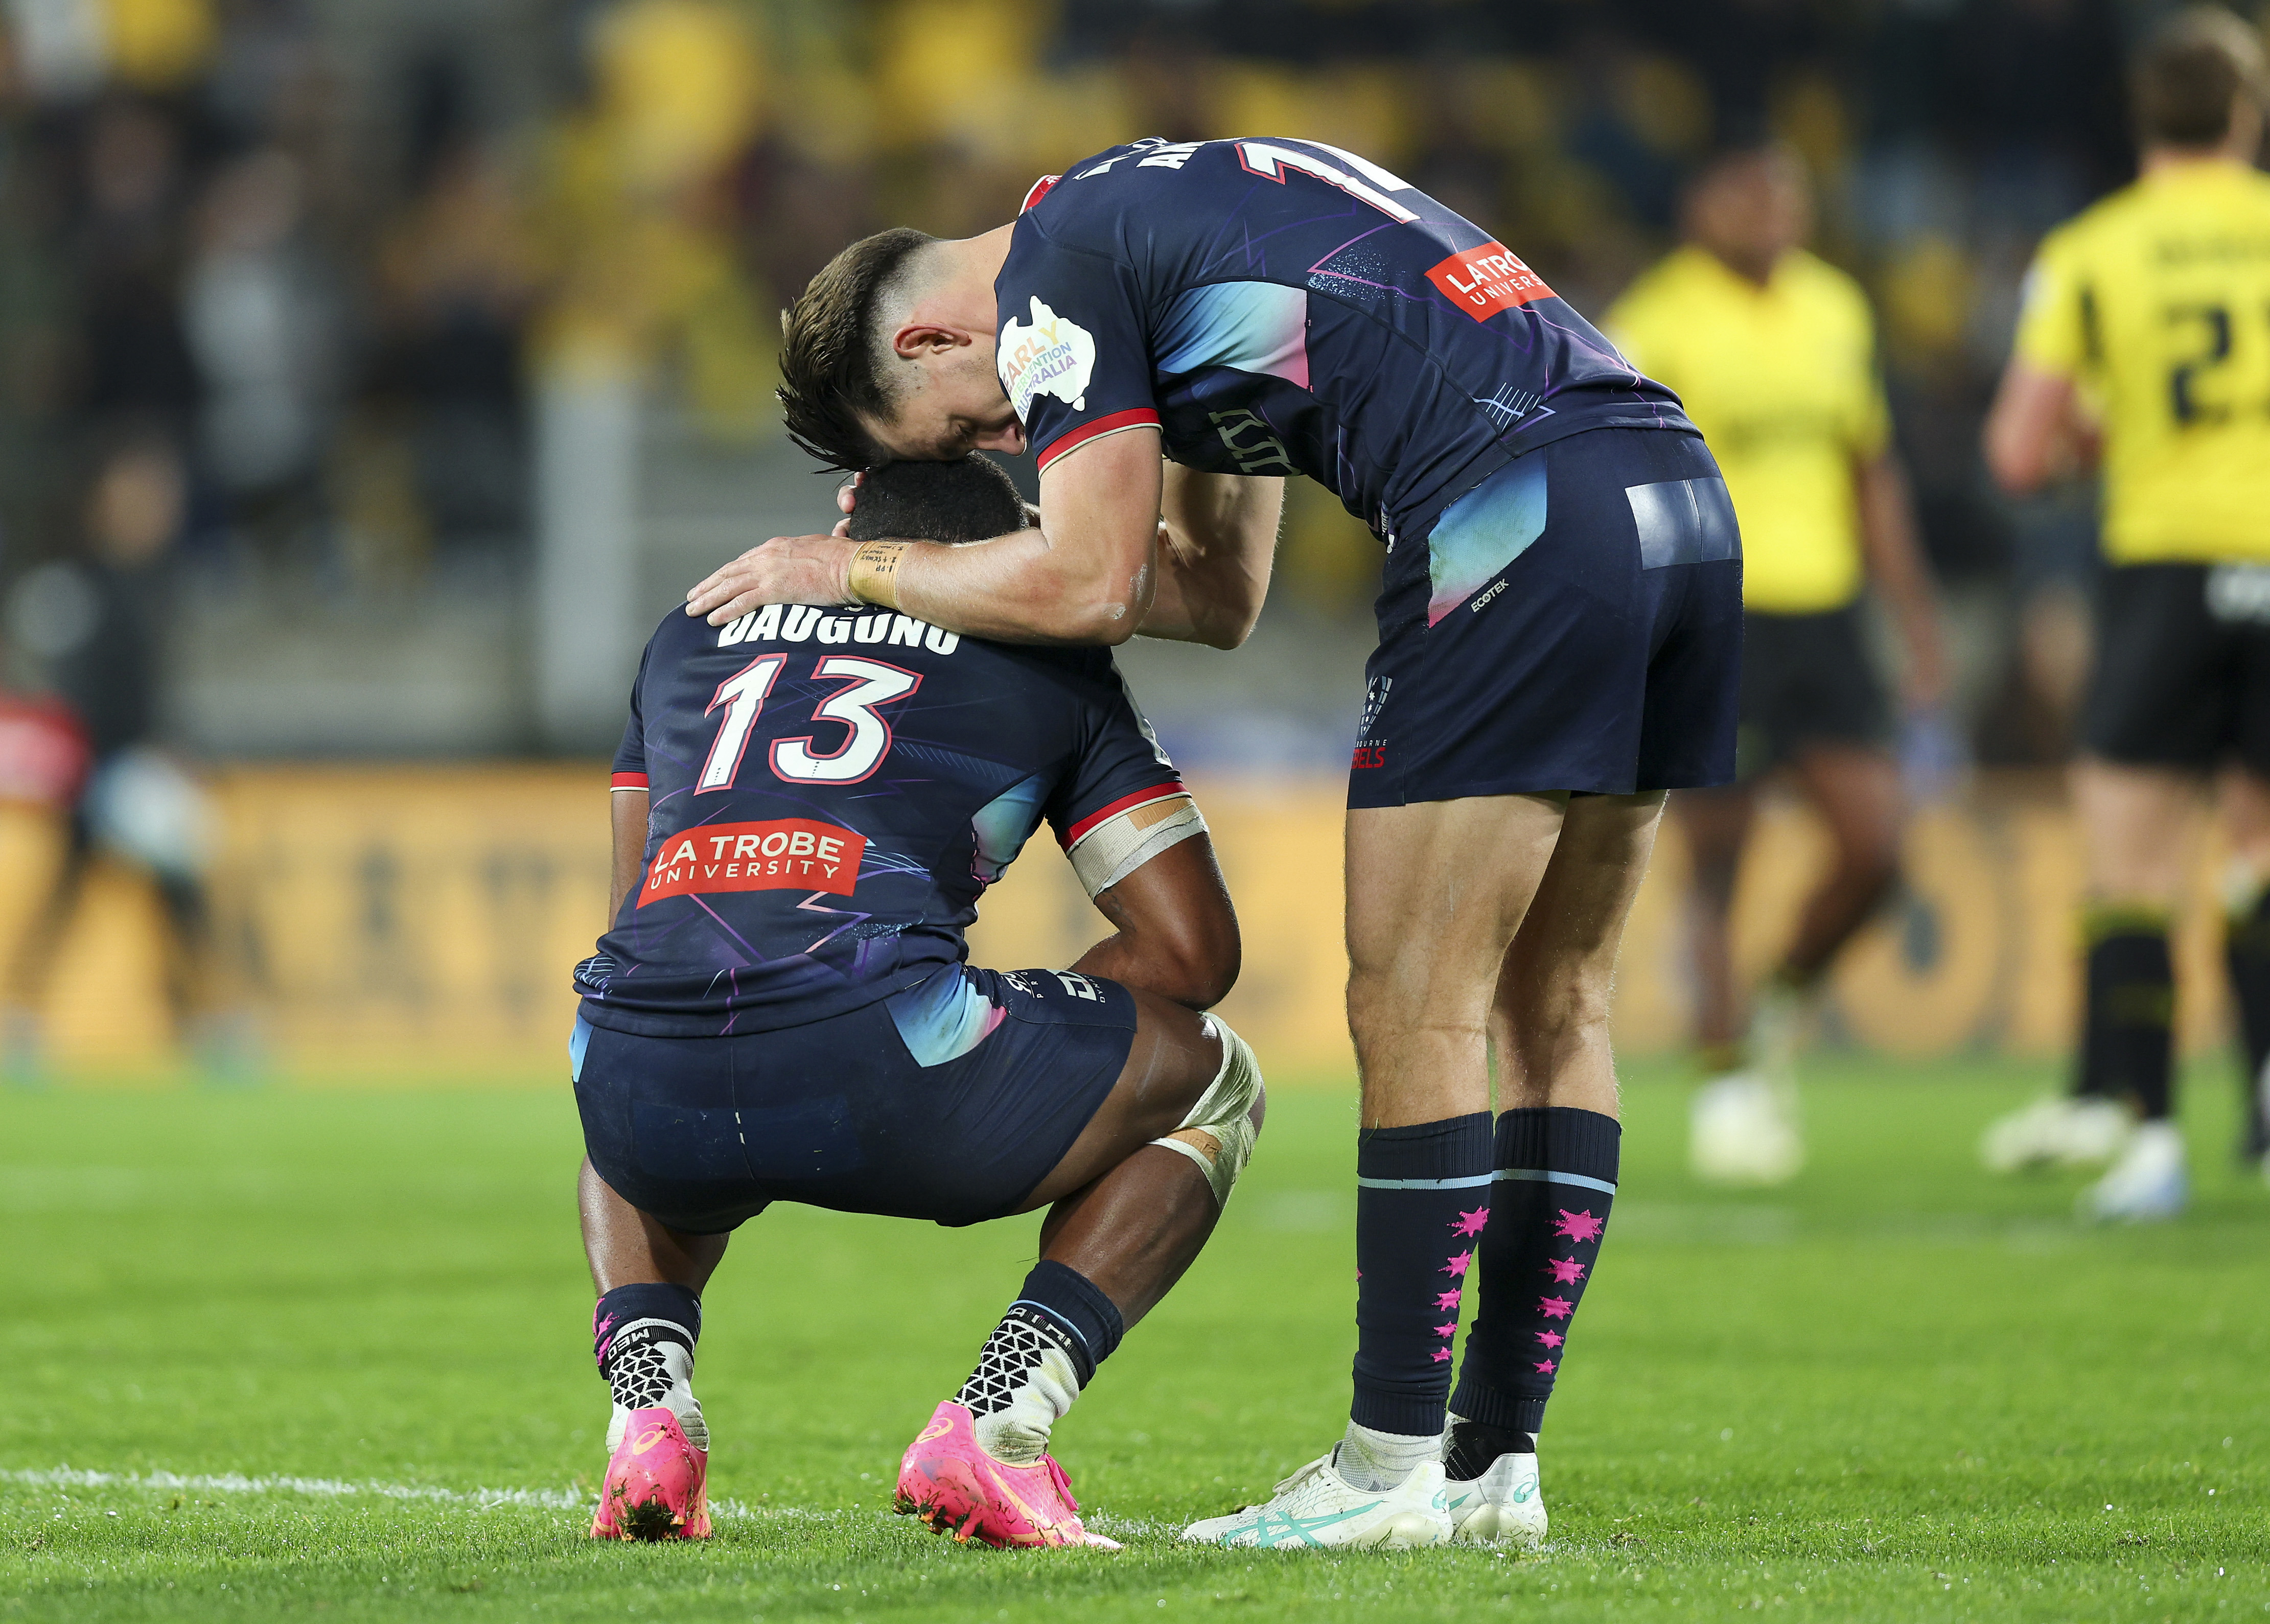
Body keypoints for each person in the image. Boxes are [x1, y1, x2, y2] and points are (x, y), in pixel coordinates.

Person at [684, 135, 1741, 1549]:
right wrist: (967, 564)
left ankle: (1385, 1469)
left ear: (935, 334)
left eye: (961, 433)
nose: (1004, 451)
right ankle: (1493, 1468)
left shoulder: (1055, 275)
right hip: (1667, 496)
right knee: (1556, 1001)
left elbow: (1088, 574)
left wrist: (849, 567)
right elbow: (1212, 591)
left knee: (1412, 1001)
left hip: (1518, 517)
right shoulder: (1153, 227)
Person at [574, 455, 1265, 1548]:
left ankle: (648, 1407)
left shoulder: (689, 630)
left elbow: (637, 916)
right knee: (1219, 1075)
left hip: (635, 1081)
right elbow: (1192, 950)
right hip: (885, 1054)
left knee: (644, 1014)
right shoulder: (1048, 653)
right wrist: (1020, 1012)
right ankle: (998, 1422)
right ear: (1006, 555)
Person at [1606, 142, 1947, 1186]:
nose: (1770, 207)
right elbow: (1619, 475)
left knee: (1875, 847)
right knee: (1720, 861)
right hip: (1715, 611)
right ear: (1699, 201)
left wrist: (1914, 616)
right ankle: (1724, 1081)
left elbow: (1868, 470)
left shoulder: (1835, 308)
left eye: (1785, 189)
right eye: (1748, 188)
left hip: (1828, 617)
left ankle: (1778, 1001)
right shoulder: (1654, 319)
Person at [1980, 7, 2270, 1219]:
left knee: (2132, 863)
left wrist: (2095, 439)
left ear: (2141, 119)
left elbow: (2015, 452)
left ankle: (2149, 1142)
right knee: (2254, 855)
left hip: (2157, 565)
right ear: (2246, 113)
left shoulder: (2093, 249)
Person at [1, 427, 228, 1079]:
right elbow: (70, 691)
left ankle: (198, 1023)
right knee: (109, 899)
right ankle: (25, 1020)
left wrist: (177, 751)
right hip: (103, 770)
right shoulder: (75, 586)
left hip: (138, 768)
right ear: (102, 501)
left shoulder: (150, 583)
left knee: (163, 898)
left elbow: (153, 694)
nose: (156, 508)